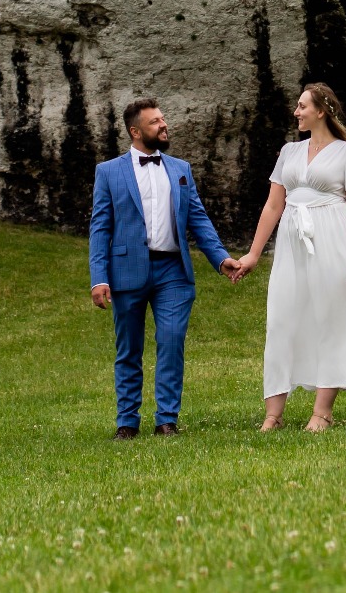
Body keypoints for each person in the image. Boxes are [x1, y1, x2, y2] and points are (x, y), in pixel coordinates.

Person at [229, 82, 346, 431]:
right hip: (291, 244)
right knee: (281, 319)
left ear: (321, 111)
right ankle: (273, 414)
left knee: (331, 318)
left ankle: (322, 412)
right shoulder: (289, 152)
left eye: (302, 106)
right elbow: (273, 205)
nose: (296, 112)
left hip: (332, 240)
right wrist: (253, 254)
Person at [88, 97, 240, 438]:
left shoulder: (180, 169)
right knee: (129, 349)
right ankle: (127, 423)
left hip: (173, 271)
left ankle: (166, 420)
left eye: (162, 119)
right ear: (135, 131)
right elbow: (100, 228)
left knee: (171, 342)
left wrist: (220, 258)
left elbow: (197, 218)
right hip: (126, 271)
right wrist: (99, 278)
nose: (163, 125)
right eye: (155, 122)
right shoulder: (108, 172)